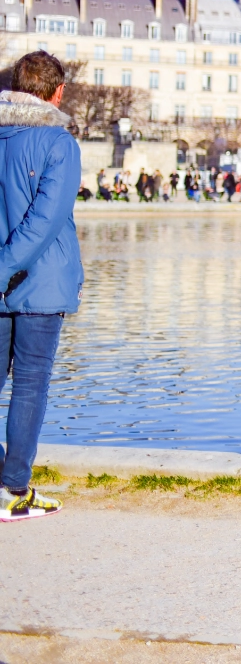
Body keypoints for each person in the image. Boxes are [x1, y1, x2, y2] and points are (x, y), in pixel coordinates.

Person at [0, 52, 83, 521]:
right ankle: (13, 490)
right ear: (56, 93)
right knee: (30, 386)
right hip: (40, 282)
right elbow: (44, 223)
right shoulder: (59, 143)